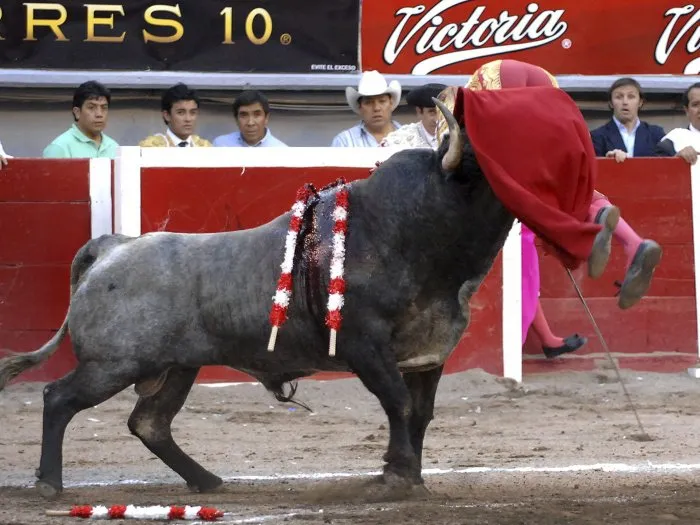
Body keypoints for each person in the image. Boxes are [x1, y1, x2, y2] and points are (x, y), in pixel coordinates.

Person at [438, 59, 662, 355]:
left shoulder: (449, 112)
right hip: (549, 87)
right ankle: (631, 240)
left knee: (525, 199)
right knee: (562, 185)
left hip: (499, 84)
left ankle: (585, 237)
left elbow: (451, 159)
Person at [590, 77, 666, 162]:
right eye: (619, 97)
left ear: (640, 102)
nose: (625, 102)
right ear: (611, 103)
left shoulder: (655, 134)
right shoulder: (597, 136)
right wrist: (608, 161)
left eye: (631, 96)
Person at [43, 81, 119, 159]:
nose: (99, 114)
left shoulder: (114, 147)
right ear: (77, 112)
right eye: (91, 107)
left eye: (104, 108)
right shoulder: (59, 148)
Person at [331, 70, 402, 147]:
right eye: (368, 102)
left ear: (391, 103)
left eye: (382, 101)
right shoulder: (345, 141)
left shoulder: (410, 137)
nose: (376, 108)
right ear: (360, 107)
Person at [140, 83, 211, 148]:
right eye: (180, 112)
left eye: (193, 113)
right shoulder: (152, 147)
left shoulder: (204, 147)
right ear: (167, 115)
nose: (188, 119)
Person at [380, 83, 446, 149]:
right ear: (419, 112)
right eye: (432, 112)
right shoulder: (400, 139)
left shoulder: (455, 135)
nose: (438, 119)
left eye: (444, 112)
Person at [213, 90, 287, 147]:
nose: (250, 123)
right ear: (236, 119)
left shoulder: (281, 152)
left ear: (266, 118)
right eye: (244, 115)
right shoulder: (221, 145)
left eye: (257, 115)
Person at [656, 82, 700, 165]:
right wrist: (676, 160)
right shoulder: (674, 140)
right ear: (687, 110)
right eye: (695, 105)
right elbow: (658, 173)